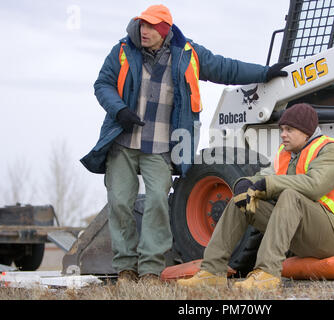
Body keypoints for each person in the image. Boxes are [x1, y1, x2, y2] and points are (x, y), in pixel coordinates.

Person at [80, 4, 290, 283]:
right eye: (142, 25)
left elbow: (225, 68)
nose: (144, 31)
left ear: (165, 30)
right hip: (123, 142)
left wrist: (264, 73)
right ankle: (126, 268)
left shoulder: (188, 54)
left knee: (157, 202)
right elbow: (102, 84)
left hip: (162, 146)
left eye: (151, 26)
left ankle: (151, 269)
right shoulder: (121, 51)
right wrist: (119, 110)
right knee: (119, 203)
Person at [177, 103, 334, 290]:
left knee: (291, 196)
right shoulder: (285, 154)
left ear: (306, 132)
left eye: (289, 129)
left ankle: (267, 274)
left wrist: (269, 185)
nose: (283, 134)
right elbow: (265, 176)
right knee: (242, 200)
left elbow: (314, 186)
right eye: (282, 129)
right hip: (302, 232)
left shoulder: (329, 150)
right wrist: (245, 183)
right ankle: (212, 271)